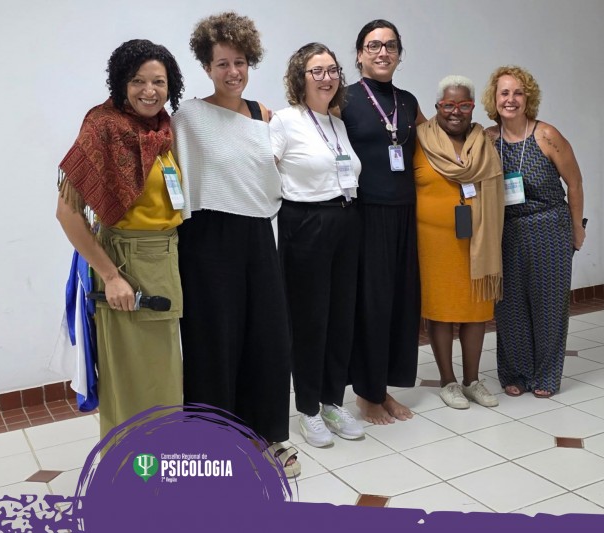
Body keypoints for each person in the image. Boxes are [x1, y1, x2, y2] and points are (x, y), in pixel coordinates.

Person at [171, 12, 298, 477]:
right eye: (222, 63)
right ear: (207, 66)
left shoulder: (263, 115)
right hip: (206, 237)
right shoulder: (189, 117)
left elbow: (272, 174)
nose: (232, 72)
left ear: (250, 63)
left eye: (239, 62)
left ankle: (266, 436)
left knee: (267, 339)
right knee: (213, 342)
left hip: (258, 235)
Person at [56, 39, 185, 440]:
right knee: (131, 382)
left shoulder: (163, 129)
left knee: (162, 377)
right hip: (126, 263)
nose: (149, 90)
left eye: (158, 82)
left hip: (165, 259)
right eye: (138, 81)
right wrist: (111, 277)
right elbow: (67, 214)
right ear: (120, 83)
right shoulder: (103, 127)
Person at [269, 43, 365, 448]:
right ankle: (308, 408)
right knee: (310, 321)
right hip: (306, 223)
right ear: (300, 77)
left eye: (332, 70)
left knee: (341, 317)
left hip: (346, 219)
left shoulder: (336, 123)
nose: (327, 78)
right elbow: (264, 172)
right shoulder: (285, 121)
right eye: (317, 71)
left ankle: (332, 402)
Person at [482, 65, 586, 399]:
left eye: (518, 93)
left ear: (529, 99)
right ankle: (516, 373)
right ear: (494, 98)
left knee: (549, 304)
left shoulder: (546, 135)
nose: (510, 99)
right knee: (509, 305)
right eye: (504, 93)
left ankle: (546, 375)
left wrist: (577, 228)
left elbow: (575, 183)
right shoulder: (488, 138)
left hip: (549, 228)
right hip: (506, 231)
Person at [341, 19, 426, 425]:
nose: (382, 52)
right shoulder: (344, 98)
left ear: (399, 55)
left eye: (390, 46)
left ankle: (383, 386)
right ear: (359, 54)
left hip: (405, 212)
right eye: (373, 45)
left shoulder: (407, 101)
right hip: (365, 213)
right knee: (371, 307)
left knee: (399, 305)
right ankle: (367, 394)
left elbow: (435, 144)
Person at [415, 75, 504, 409]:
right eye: (449, 105)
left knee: (476, 310)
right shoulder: (419, 140)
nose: (456, 112)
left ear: (472, 107)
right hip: (433, 243)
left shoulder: (484, 141)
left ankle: (472, 380)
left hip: (477, 240)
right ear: (438, 106)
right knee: (440, 312)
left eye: (464, 105)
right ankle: (447, 381)